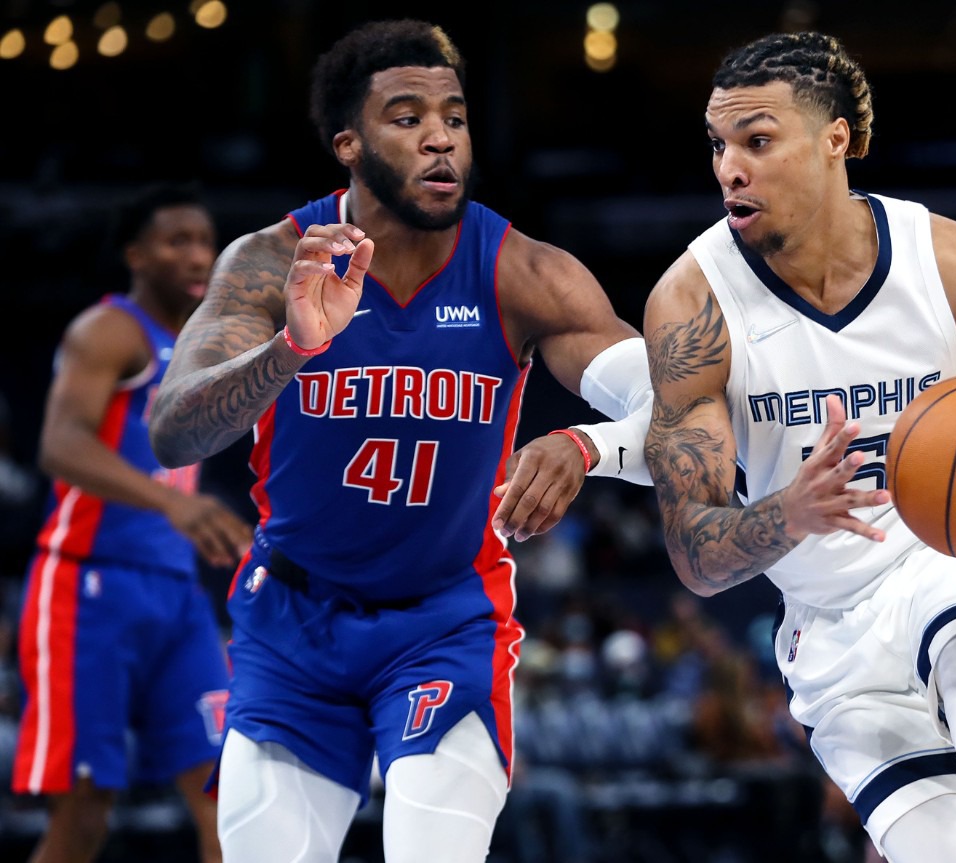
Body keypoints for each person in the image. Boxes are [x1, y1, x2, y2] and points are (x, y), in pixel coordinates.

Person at [146, 19, 652, 863]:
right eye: (408, 117)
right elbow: (175, 429)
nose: (441, 138)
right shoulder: (274, 262)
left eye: (453, 116)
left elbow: (668, 404)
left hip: (443, 617)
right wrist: (293, 348)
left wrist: (587, 445)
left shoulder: (523, 272)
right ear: (348, 143)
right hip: (292, 619)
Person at [641, 30, 956, 863]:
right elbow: (695, 553)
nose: (729, 167)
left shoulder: (948, 260)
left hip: (951, 558)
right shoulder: (694, 304)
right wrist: (790, 510)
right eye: (719, 144)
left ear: (834, 139)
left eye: (757, 141)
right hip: (829, 632)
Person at [11, 183, 253, 863]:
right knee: (85, 814)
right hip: (88, 588)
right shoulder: (109, 330)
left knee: (225, 794)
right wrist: (172, 503)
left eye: (205, 240)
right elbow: (59, 444)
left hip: (176, 594)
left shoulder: (203, 347)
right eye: (177, 240)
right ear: (136, 254)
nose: (197, 253)